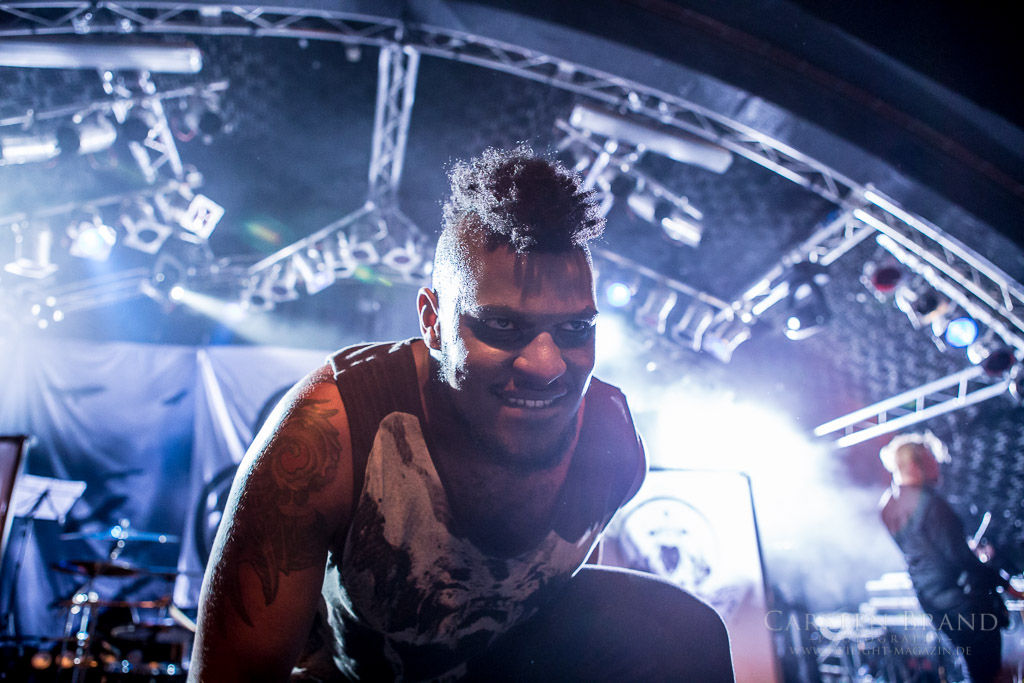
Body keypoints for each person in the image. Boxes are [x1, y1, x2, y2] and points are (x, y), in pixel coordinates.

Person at [188, 146, 733, 682]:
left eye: (574, 329)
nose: (546, 367)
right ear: (432, 321)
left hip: (498, 671)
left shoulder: (610, 443)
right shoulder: (330, 432)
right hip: (351, 681)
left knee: (681, 636)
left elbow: (563, 603)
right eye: (502, 326)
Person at [879, 432, 1019, 683]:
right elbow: (962, 559)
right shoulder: (932, 504)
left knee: (975, 669)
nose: (937, 465)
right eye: (930, 460)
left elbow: (928, 549)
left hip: (931, 600)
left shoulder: (887, 505)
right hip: (964, 600)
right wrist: (1009, 587)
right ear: (914, 465)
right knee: (988, 674)